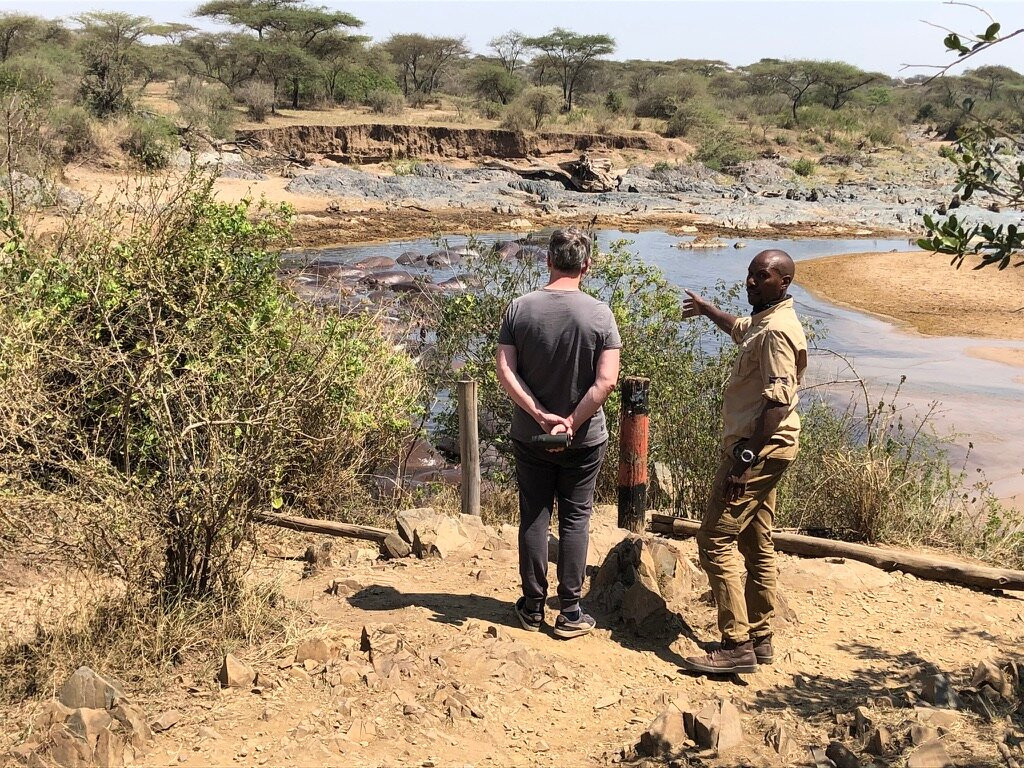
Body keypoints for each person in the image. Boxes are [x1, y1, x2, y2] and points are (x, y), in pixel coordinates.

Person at [679, 249, 807, 674]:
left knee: (714, 541)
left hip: (758, 451)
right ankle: (762, 637)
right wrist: (704, 309)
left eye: (763, 276)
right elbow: (739, 328)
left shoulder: (777, 333)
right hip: (768, 450)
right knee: (756, 541)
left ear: (784, 281)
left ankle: (736, 644)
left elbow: (777, 403)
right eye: (751, 274)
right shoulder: (768, 319)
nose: (751, 282)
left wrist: (743, 463)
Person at [496, 228, 621, 639]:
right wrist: (573, 421)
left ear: (547, 260)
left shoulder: (519, 308)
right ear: (586, 265)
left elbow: (506, 371)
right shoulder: (600, 314)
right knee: (576, 518)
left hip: (530, 435)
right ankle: (570, 611)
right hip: (583, 439)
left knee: (534, 514)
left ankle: (532, 607)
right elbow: (606, 382)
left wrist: (540, 415)